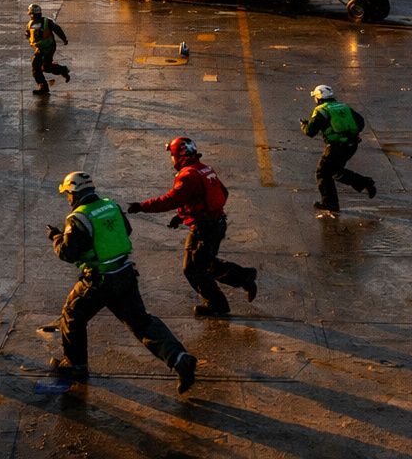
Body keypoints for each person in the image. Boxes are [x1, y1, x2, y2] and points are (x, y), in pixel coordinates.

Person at [48, 171, 197, 392]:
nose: (68, 199)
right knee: (141, 323)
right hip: (125, 273)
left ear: (74, 192)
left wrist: (57, 238)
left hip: (98, 280)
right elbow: (126, 230)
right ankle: (179, 358)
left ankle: (75, 365)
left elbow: (68, 253)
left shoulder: (78, 217)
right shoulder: (111, 205)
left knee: (72, 315)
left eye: (67, 194)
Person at [127, 137, 257, 317]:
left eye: (172, 155)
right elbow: (220, 194)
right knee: (205, 263)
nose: (171, 160)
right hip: (215, 223)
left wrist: (142, 206)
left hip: (205, 228)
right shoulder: (204, 169)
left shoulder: (188, 176)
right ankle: (243, 277)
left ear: (179, 155)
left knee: (193, 269)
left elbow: (170, 200)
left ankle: (217, 304)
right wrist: (184, 216)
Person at [302, 85, 376, 215]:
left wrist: (304, 125)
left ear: (319, 97)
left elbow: (310, 132)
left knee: (323, 172)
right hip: (351, 145)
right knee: (335, 171)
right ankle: (365, 183)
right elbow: (360, 122)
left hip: (336, 147)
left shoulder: (321, 110)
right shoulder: (344, 107)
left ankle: (330, 203)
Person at [26, 3, 71, 94]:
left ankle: (45, 84)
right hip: (39, 48)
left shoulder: (47, 21)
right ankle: (59, 72)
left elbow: (57, 29)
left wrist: (64, 39)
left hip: (49, 47)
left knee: (40, 67)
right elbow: (28, 34)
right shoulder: (30, 24)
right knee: (41, 67)